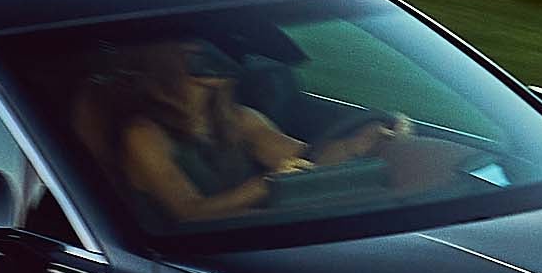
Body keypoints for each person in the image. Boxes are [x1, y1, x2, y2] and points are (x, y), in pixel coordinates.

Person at [74, 33, 407, 227]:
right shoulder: (144, 135)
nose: (211, 56)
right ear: (165, 58)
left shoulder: (241, 120)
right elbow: (187, 213)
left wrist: (363, 141)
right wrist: (269, 183)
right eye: (196, 52)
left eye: (218, 50)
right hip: (188, 264)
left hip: (258, 235)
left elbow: (308, 159)